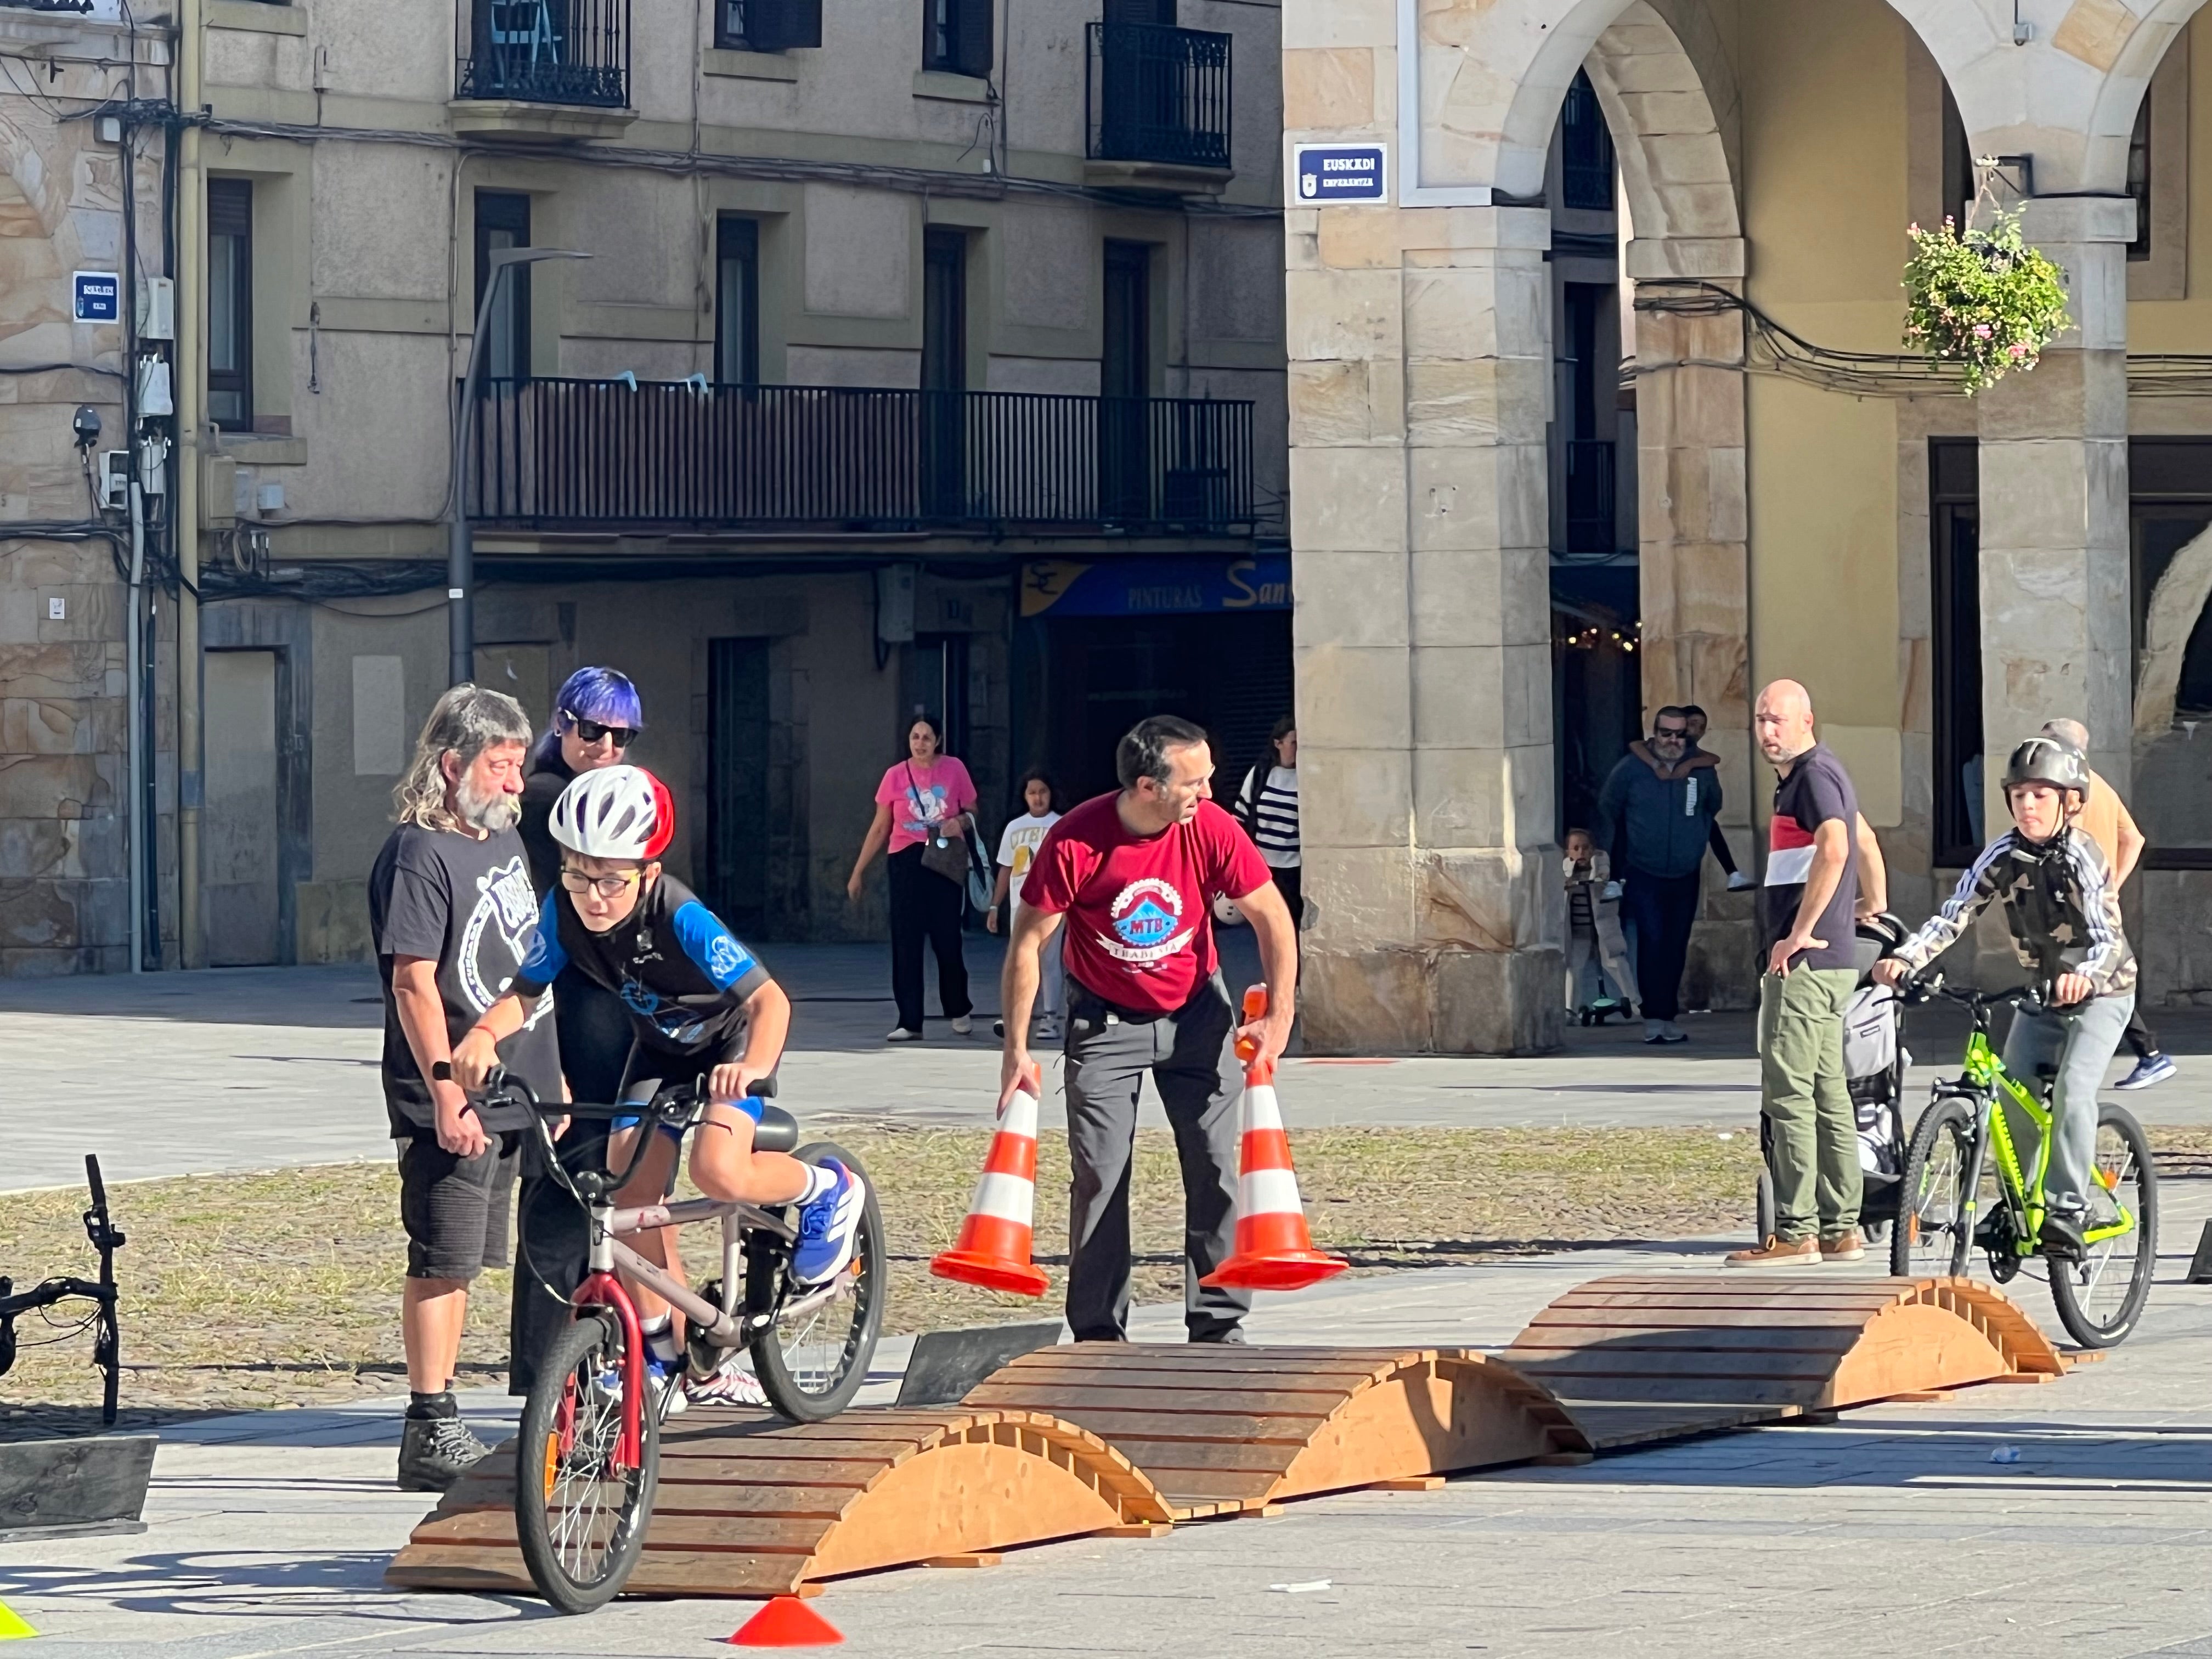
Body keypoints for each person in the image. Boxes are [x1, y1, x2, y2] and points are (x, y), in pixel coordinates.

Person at [455, 765, 867, 1411]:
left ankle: (828, 1188)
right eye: (577, 873)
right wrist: (483, 1037)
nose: (594, 896)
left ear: (646, 871)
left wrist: (752, 1067)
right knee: (628, 1190)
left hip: (727, 1050)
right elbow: (526, 991)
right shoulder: (563, 910)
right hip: (659, 1052)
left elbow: (770, 1002)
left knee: (718, 1171)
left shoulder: (682, 915)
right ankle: (660, 1345)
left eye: (611, 880)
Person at [998, 715, 1299, 1345]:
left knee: (1216, 1164)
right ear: (1147, 787)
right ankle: (1100, 1334)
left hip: (1198, 1014)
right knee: (1101, 1173)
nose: (1209, 793)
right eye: (1195, 782)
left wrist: (1281, 1014)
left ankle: (1220, 1326)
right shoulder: (1078, 839)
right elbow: (1028, 944)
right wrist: (1017, 1051)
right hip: (1104, 1021)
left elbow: (1272, 916)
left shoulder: (1211, 828)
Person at [368, 684, 562, 1491]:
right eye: (502, 765)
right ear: (453, 766)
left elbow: (524, 957)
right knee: (444, 1256)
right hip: (451, 1089)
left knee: (487, 1257)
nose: (518, 783)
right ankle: (430, 1424)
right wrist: (444, 1089)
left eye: (520, 765)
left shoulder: (501, 842)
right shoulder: (421, 852)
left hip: (516, 1083)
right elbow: (414, 982)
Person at [1872, 735, 2135, 1259]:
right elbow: (1955, 913)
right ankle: (2020, 1206)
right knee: (2013, 1098)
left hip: (2103, 991)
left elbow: (2109, 937)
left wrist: (2083, 975)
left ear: (2070, 801)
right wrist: (1906, 958)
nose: (2028, 806)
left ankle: (2068, 1207)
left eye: (2041, 795)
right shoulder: (2003, 852)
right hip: (2041, 993)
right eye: (2019, 796)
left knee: (2072, 1091)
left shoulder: (2083, 855)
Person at [510, 667, 646, 1399]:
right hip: (565, 1007)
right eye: (592, 730)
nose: (606, 746)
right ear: (561, 725)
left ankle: (589, 1360)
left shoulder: (595, 794)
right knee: (568, 1195)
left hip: (608, 1013)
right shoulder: (545, 800)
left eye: (621, 736)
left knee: (603, 1192)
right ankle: (557, 1372)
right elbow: (549, 921)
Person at [1728, 679, 1890, 1267]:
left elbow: (1839, 846)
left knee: (1788, 1092)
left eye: (1779, 720)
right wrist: (1875, 902)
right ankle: (1842, 1227)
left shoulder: (1813, 776)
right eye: (1762, 720)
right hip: (1833, 961)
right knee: (1827, 1092)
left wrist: (1799, 932)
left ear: (1807, 720)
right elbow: (1866, 838)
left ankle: (1796, 1230)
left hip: (1805, 961)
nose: (1769, 732)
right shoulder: (1822, 775)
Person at [2041, 718, 2172, 1091]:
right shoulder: (2098, 784)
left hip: (2075, 898)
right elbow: (2133, 838)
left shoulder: (2072, 790)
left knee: (2086, 974)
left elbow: (2067, 842)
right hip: (2092, 896)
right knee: (2101, 973)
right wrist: (2112, 882)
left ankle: (2149, 1055)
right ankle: (2148, 1055)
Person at [847, 715, 978, 1042]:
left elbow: (974, 809)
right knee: (906, 940)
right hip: (905, 858)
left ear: (938, 740)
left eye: (927, 737)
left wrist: (959, 821)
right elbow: (880, 827)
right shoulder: (894, 776)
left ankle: (958, 1006)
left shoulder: (954, 769)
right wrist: (858, 871)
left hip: (944, 857)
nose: (920, 743)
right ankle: (910, 1019)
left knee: (947, 938)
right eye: (915, 737)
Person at [1596, 707, 1721, 1044]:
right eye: (1667, 733)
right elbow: (1609, 807)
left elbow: (1713, 806)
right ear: (1655, 733)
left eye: (1680, 734)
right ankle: (1653, 1016)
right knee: (1651, 942)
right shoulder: (1631, 769)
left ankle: (1668, 1016)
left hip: (1685, 871)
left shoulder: (1700, 770)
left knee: (1676, 944)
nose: (1673, 741)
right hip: (1644, 870)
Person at [1626, 704, 1754, 893]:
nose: (1698, 731)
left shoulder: (1695, 755)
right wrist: (1656, 765)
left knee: (1708, 822)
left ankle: (1732, 873)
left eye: (1702, 726)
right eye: (1693, 724)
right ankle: (1617, 879)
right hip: (1656, 809)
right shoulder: (1663, 745)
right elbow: (1636, 745)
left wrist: (1691, 764)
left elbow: (1714, 758)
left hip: (1685, 813)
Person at [987, 770, 1065, 1042]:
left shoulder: (1062, 825)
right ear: (1024, 796)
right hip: (1020, 903)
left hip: (1052, 903)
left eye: (1042, 791)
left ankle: (1051, 1017)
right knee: (1020, 958)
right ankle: (1016, 1016)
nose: (1038, 797)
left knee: (1049, 959)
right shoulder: (1014, 827)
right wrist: (995, 906)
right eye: (1032, 792)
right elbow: (1006, 869)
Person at [1562, 827, 1639, 1019]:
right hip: (1579, 930)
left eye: (1586, 848)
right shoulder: (1564, 872)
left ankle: (1634, 1002)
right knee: (1574, 967)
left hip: (1603, 928)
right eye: (1576, 848)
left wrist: (1600, 879)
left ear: (1593, 850)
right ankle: (1570, 1008)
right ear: (1568, 852)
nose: (1581, 853)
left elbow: (1610, 884)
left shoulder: (1603, 867)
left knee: (1615, 961)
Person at [1233, 716, 1302, 927]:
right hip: (1263, 865)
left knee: (1292, 921)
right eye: (1293, 743)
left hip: (1295, 867)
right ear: (1278, 744)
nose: (1298, 749)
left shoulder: (1306, 778)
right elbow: (1240, 817)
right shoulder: (1261, 774)